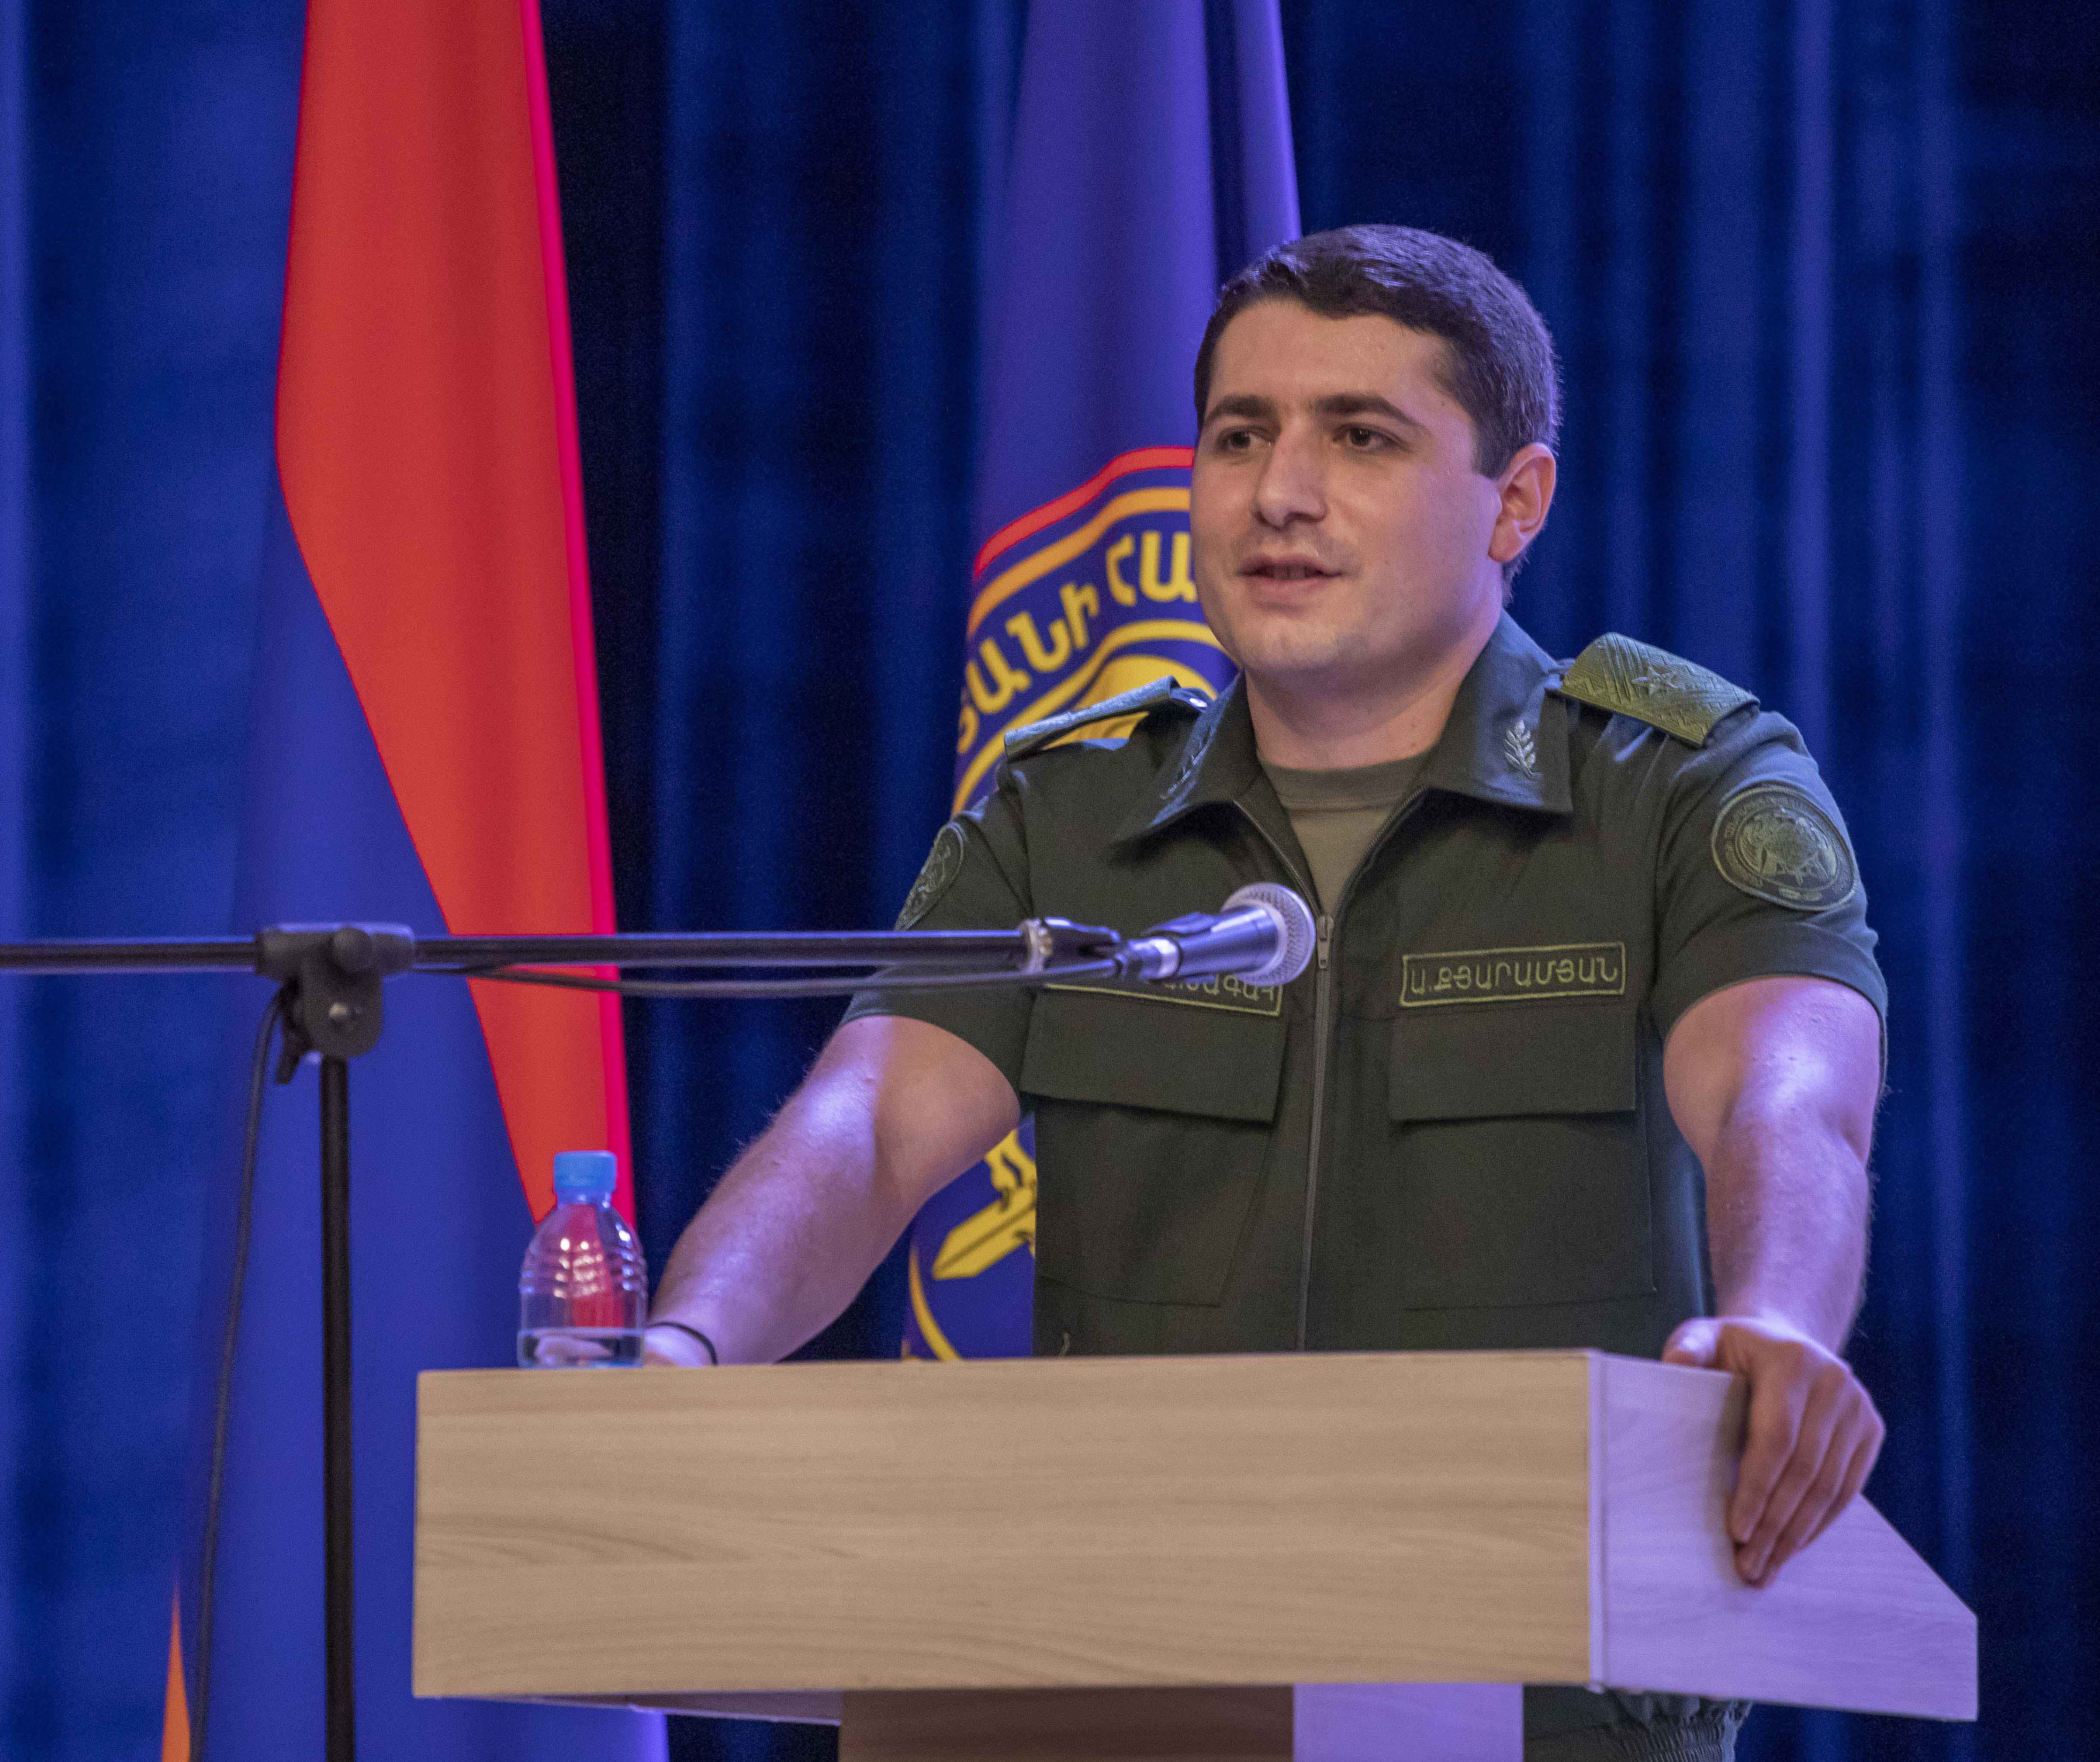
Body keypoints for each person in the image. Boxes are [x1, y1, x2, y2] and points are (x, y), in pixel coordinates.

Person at [638, 225, 1886, 1762]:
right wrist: (683, 1354)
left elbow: (1787, 1097)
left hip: (1538, 1693)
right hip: (1111, 1675)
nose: (1278, 492)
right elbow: (870, 1121)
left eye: (1359, 437)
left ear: (1515, 501)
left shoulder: (1678, 789)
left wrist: (1774, 1319)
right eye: (1239, 436)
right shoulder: (1071, 811)